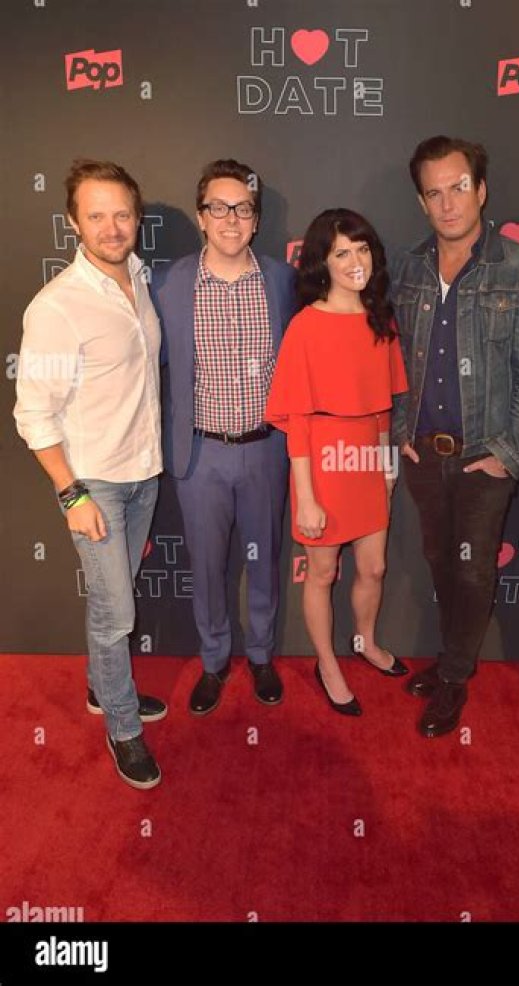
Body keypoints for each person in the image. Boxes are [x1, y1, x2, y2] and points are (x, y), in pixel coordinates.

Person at [391, 135, 519, 739]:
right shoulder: (409, 268)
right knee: (439, 562)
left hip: (485, 457)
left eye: (458, 187)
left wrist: (509, 455)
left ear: (480, 190)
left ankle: (455, 676)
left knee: (472, 571)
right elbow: (392, 357)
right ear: (421, 202)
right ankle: (449, 659)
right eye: (434, 193)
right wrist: (401, 429)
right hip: (423, 454)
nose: (448, 203)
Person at [14, 159, 165, 790]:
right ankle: (122, 727)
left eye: (121, 214)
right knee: (116, 614)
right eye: (96, 215)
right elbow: (32, 413)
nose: (111, 227)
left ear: (137, 218)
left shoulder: (141, 278)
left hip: (144, 474)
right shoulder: (57, 307)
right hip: (94, 483)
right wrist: (72, 493)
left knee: (113, 599)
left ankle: (103, 687)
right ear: (73, 222)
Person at [153, 160, 296, 717]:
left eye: (242, 208)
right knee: (207, 567)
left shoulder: (282, 281)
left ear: (256, 220)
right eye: (219, 207)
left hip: (266, 450)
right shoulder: (169, 283)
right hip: (200, 454)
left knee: (265, 561)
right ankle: (213, 660)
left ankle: (260, 654)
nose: (231, 219)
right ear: (201, 215)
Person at [265, 209, 409, 716]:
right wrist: (305, 497)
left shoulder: (380, 319)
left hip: (368, 459)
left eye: (362, 249)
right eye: (341, 252)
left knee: (374, 566)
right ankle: (326, 664)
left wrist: (386, 466)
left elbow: (383, 406)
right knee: (322, 572)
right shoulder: (305, 326)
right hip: (322, 462)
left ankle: (365, 641)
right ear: (322, 263)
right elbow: (297, 420)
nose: (355, 261)